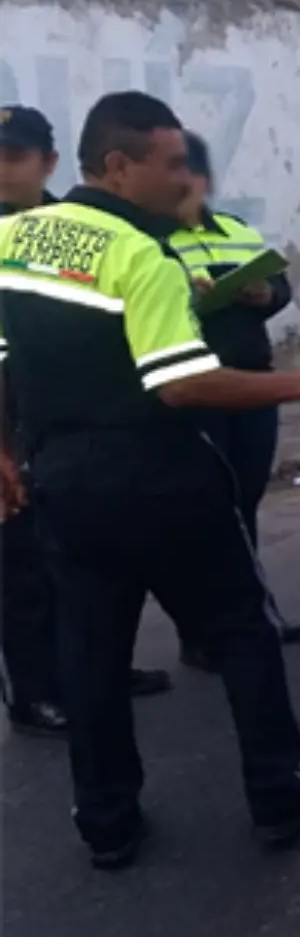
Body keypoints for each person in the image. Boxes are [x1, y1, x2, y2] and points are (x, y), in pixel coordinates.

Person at [0, 91, 300, 867]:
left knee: (92, 652)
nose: (183, 181)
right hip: (159, 473)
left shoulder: (18, 240)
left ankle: (106, 822)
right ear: (116, 165)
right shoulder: (144, 254)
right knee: (242, 629)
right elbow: (181, 385)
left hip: (63, 480)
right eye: (170, 165)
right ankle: (279, 794)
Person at [0, 105, 173, 741]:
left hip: (74, 421)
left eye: (13, 157)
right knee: (21, 567)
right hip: (13, 422)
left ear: (47, 163)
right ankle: (35, 693)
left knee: (92, 561)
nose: (0, 170)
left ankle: (98, 668)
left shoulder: (80, 229)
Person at [169, 132, 300, 670]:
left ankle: (248, 612)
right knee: (205, 509)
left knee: (243, 500)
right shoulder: (150, 240)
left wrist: (263, 294)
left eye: (193, 173)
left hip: (254, 386)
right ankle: (202, 629)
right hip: (197, 388)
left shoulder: (234, 230)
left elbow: (280, 287)